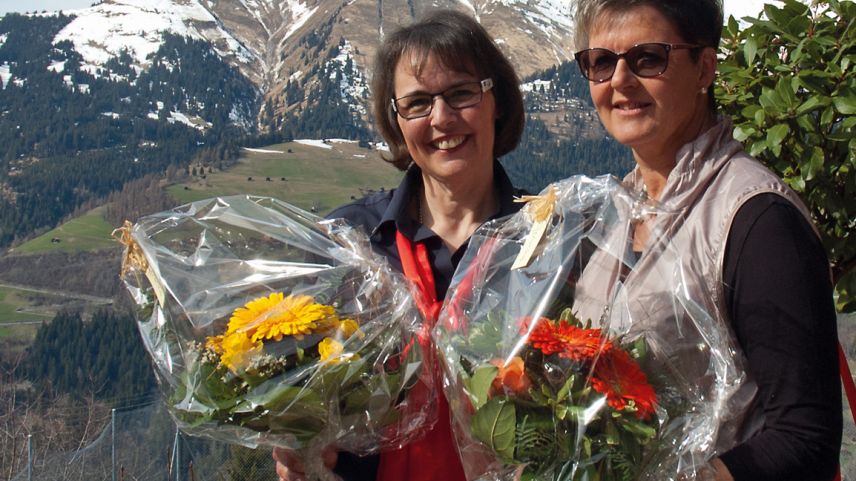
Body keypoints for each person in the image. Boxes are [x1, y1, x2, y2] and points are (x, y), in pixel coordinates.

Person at [570, 0, 842, 480]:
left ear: (705, 68)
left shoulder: (758, 220)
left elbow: (805, 437)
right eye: (600, 62)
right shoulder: (611, 215)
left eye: (648, 58)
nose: (619, 81)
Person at [273, 9, 526, 481]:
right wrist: (298, 444)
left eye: (461, 93)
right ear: (396, 121)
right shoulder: (348, 242)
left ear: (497, 102)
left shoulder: (547, 241)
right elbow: (300, 387)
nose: (442, 118)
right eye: (417, 104)